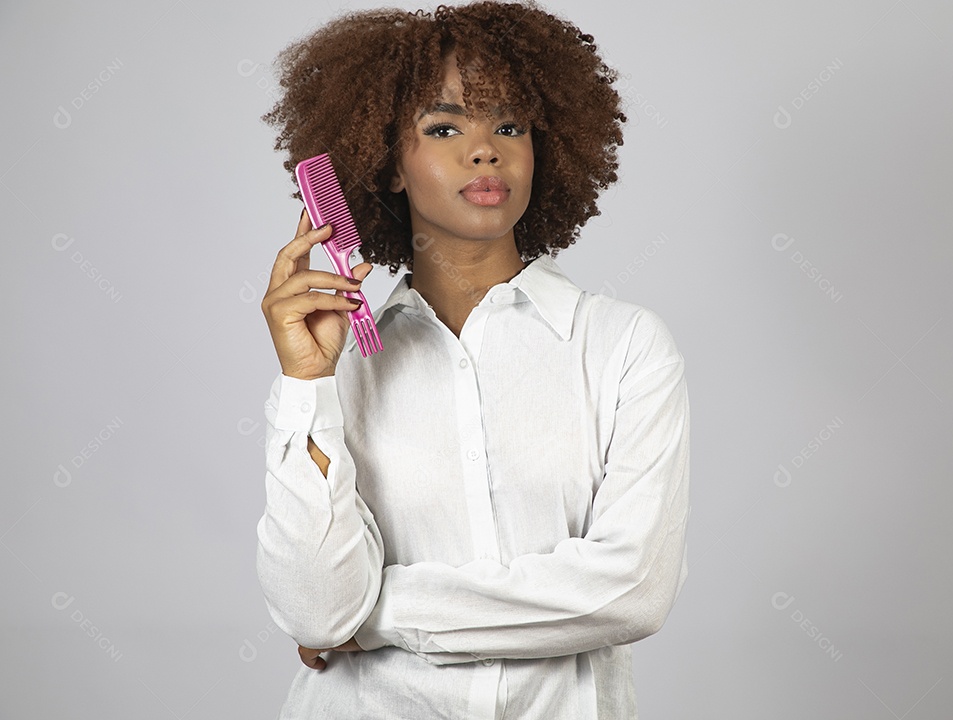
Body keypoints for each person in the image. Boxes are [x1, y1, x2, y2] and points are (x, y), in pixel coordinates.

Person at [256, 2, 690, 717]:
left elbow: (632, 590)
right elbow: (311, 607)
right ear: (388, 164)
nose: (484, 150)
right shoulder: (340, 367)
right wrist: (307, 382)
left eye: (509, 125)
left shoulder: (624, 347)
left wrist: (371, 619)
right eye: (444, 127)